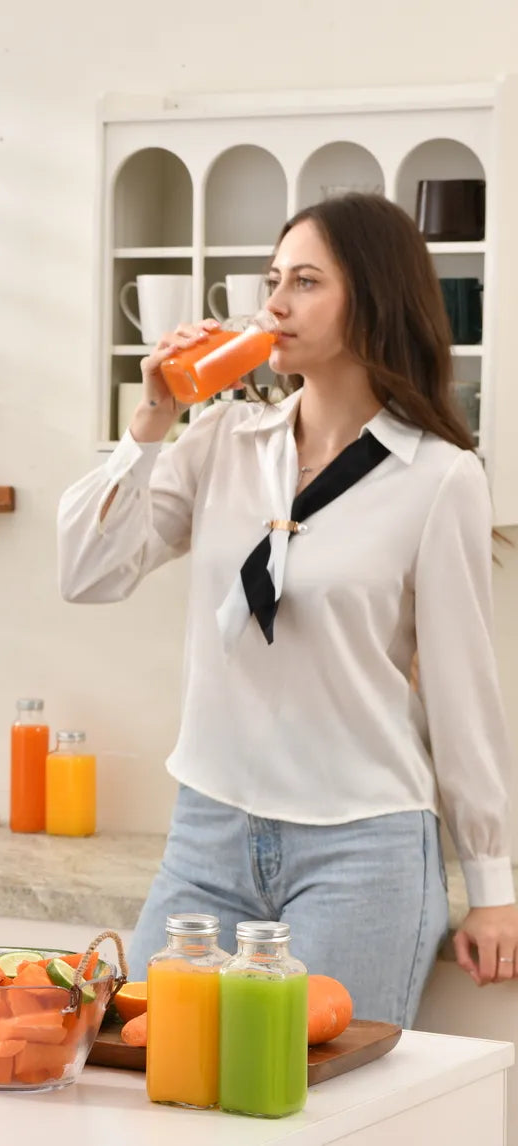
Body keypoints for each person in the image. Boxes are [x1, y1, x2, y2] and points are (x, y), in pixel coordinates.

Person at [57, 193, 518, 1027]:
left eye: (305, 282)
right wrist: (151, 418)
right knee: (156, 1076)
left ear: (374, 299)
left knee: (316, 1108)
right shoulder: (219, 443)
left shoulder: (441, 476)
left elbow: (463, 692)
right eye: (274, 280)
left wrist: (492, 885)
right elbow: (89, 572)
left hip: (363, 849)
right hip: (207, 836)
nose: (273, 305)